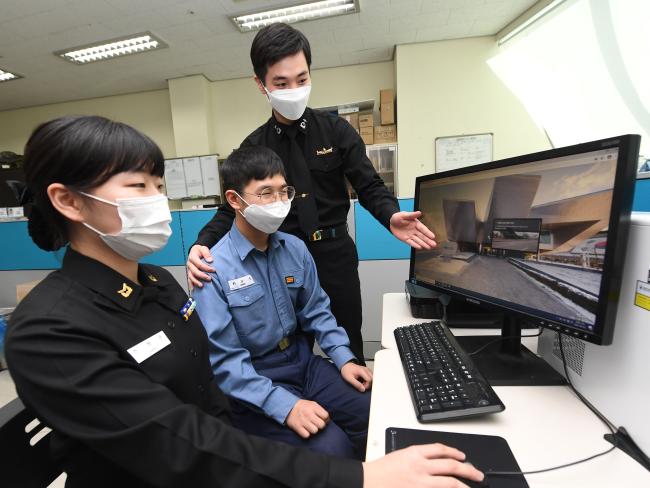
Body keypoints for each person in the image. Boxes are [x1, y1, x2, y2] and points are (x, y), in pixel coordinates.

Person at [5, 115, 484, 488]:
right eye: (137, 188)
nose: (156, 202)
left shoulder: (158, 283)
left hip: (249, 417)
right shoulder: (49, 330)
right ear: (69, 202)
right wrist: (349, 472)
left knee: (380, 411)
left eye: (159, 186)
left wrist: (338, 359)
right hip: (197, 462)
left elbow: (210, 391)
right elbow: (183, 439)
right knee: (333, 448)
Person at [187, 23, 436, 365]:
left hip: (335, 255)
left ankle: (354, 406)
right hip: (281, 258)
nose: (294, 89)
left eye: (302, 79)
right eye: (281, 83)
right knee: (291, 348)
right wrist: (201, 243)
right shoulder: (254, 147)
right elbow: (232, 208)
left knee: (347, 342)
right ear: (261, 84)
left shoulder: (336, 131)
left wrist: (390, 214)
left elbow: (369, 185)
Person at [193, 146, 373, 459]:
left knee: (371, 409)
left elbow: (318, 312)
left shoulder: (295, 249)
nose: (279, 203)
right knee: (331, 446)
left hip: (302, 360)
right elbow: (224, 362)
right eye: (265, 193)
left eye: (283, 191)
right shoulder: (212, 269)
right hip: (255, 375)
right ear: (235, 200)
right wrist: (285, 406)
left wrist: (344, 357)